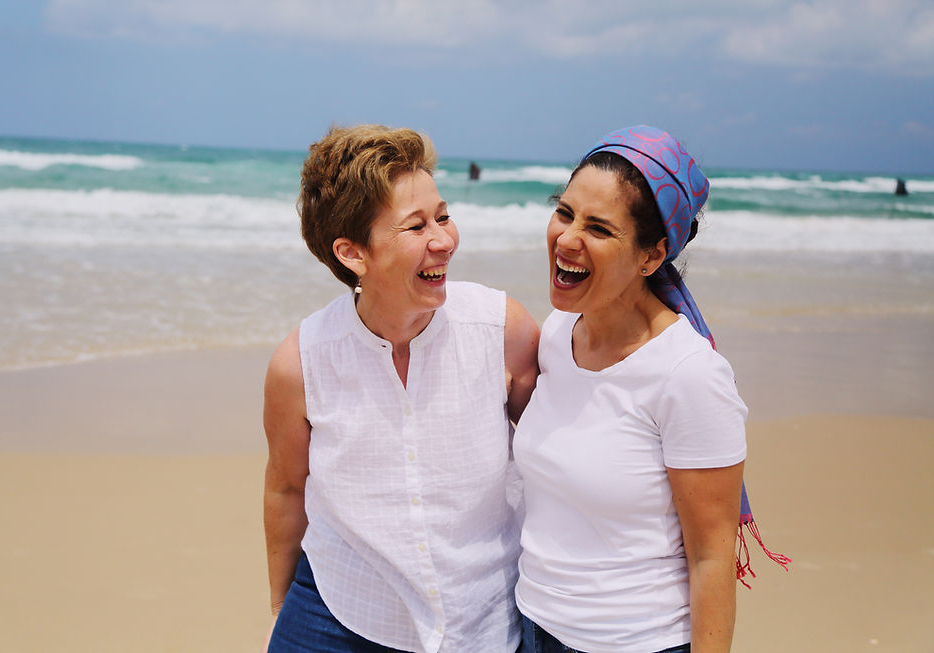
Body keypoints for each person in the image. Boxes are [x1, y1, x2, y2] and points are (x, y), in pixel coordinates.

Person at [261, 124, 540, 653]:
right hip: (340, 612)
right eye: (416, 227)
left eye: (444, 216)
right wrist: (281, 614)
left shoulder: (504, 330)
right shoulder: (300, 364)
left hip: (480, 616)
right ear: (352, 254)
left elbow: (557, 460)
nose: (444, 240)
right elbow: (285, 487)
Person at [513, 125, 787, 653]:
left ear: (651, 256)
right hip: (532, 627)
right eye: (564, 212)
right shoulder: (555, 334)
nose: (567, 238)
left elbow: (711, 557)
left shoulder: (687, 375)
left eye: (599, 228)